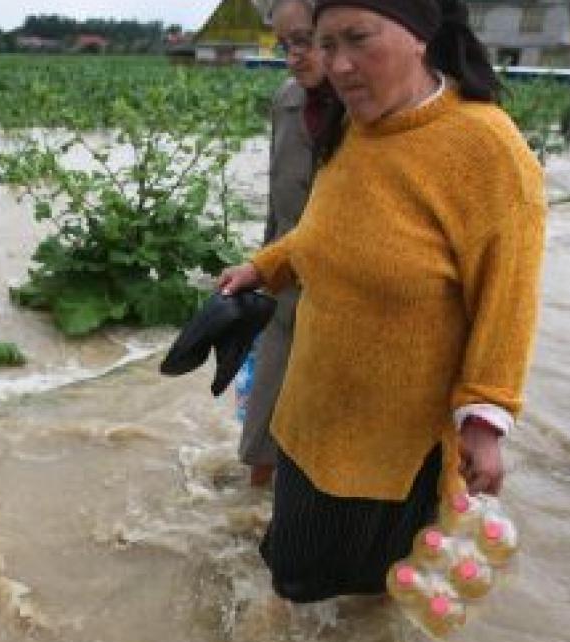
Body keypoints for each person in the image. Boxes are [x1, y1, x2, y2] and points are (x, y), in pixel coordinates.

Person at [217, 0, 546, 603]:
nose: (338, 65)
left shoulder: (487, 150)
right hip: (308, 417)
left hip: (387, 452)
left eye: (358, 40)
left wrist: (484, 420)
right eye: (325, 43)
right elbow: (327, 229)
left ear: (421, 37)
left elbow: (510, 300)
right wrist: (263, 268)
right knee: (290, 582)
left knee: (358, 607)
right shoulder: (354, 126)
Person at [240, 0, 338, 489]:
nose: (296, 56)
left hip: (341, 297)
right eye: (286, 45)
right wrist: (261, 273)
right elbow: (279, 204)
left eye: (305, 40)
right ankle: (248, 517)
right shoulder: (288, 100)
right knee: (263, 418)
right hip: (286, 283)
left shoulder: (367, 110)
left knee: (323, 437)